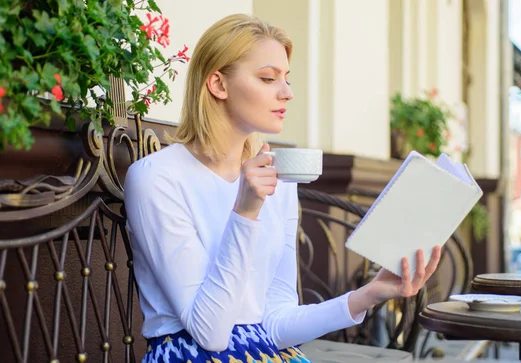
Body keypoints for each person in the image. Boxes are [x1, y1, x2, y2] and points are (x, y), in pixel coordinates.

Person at [124, 13, 442, 363]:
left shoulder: (279, 179)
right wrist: (245, 212)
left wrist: (370, 294)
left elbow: (274, 323)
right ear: (218, 84)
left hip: (263, 353)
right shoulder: (157, 177)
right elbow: (210, 334)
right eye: (268, 78)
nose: (287, 93)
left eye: (286, 78)